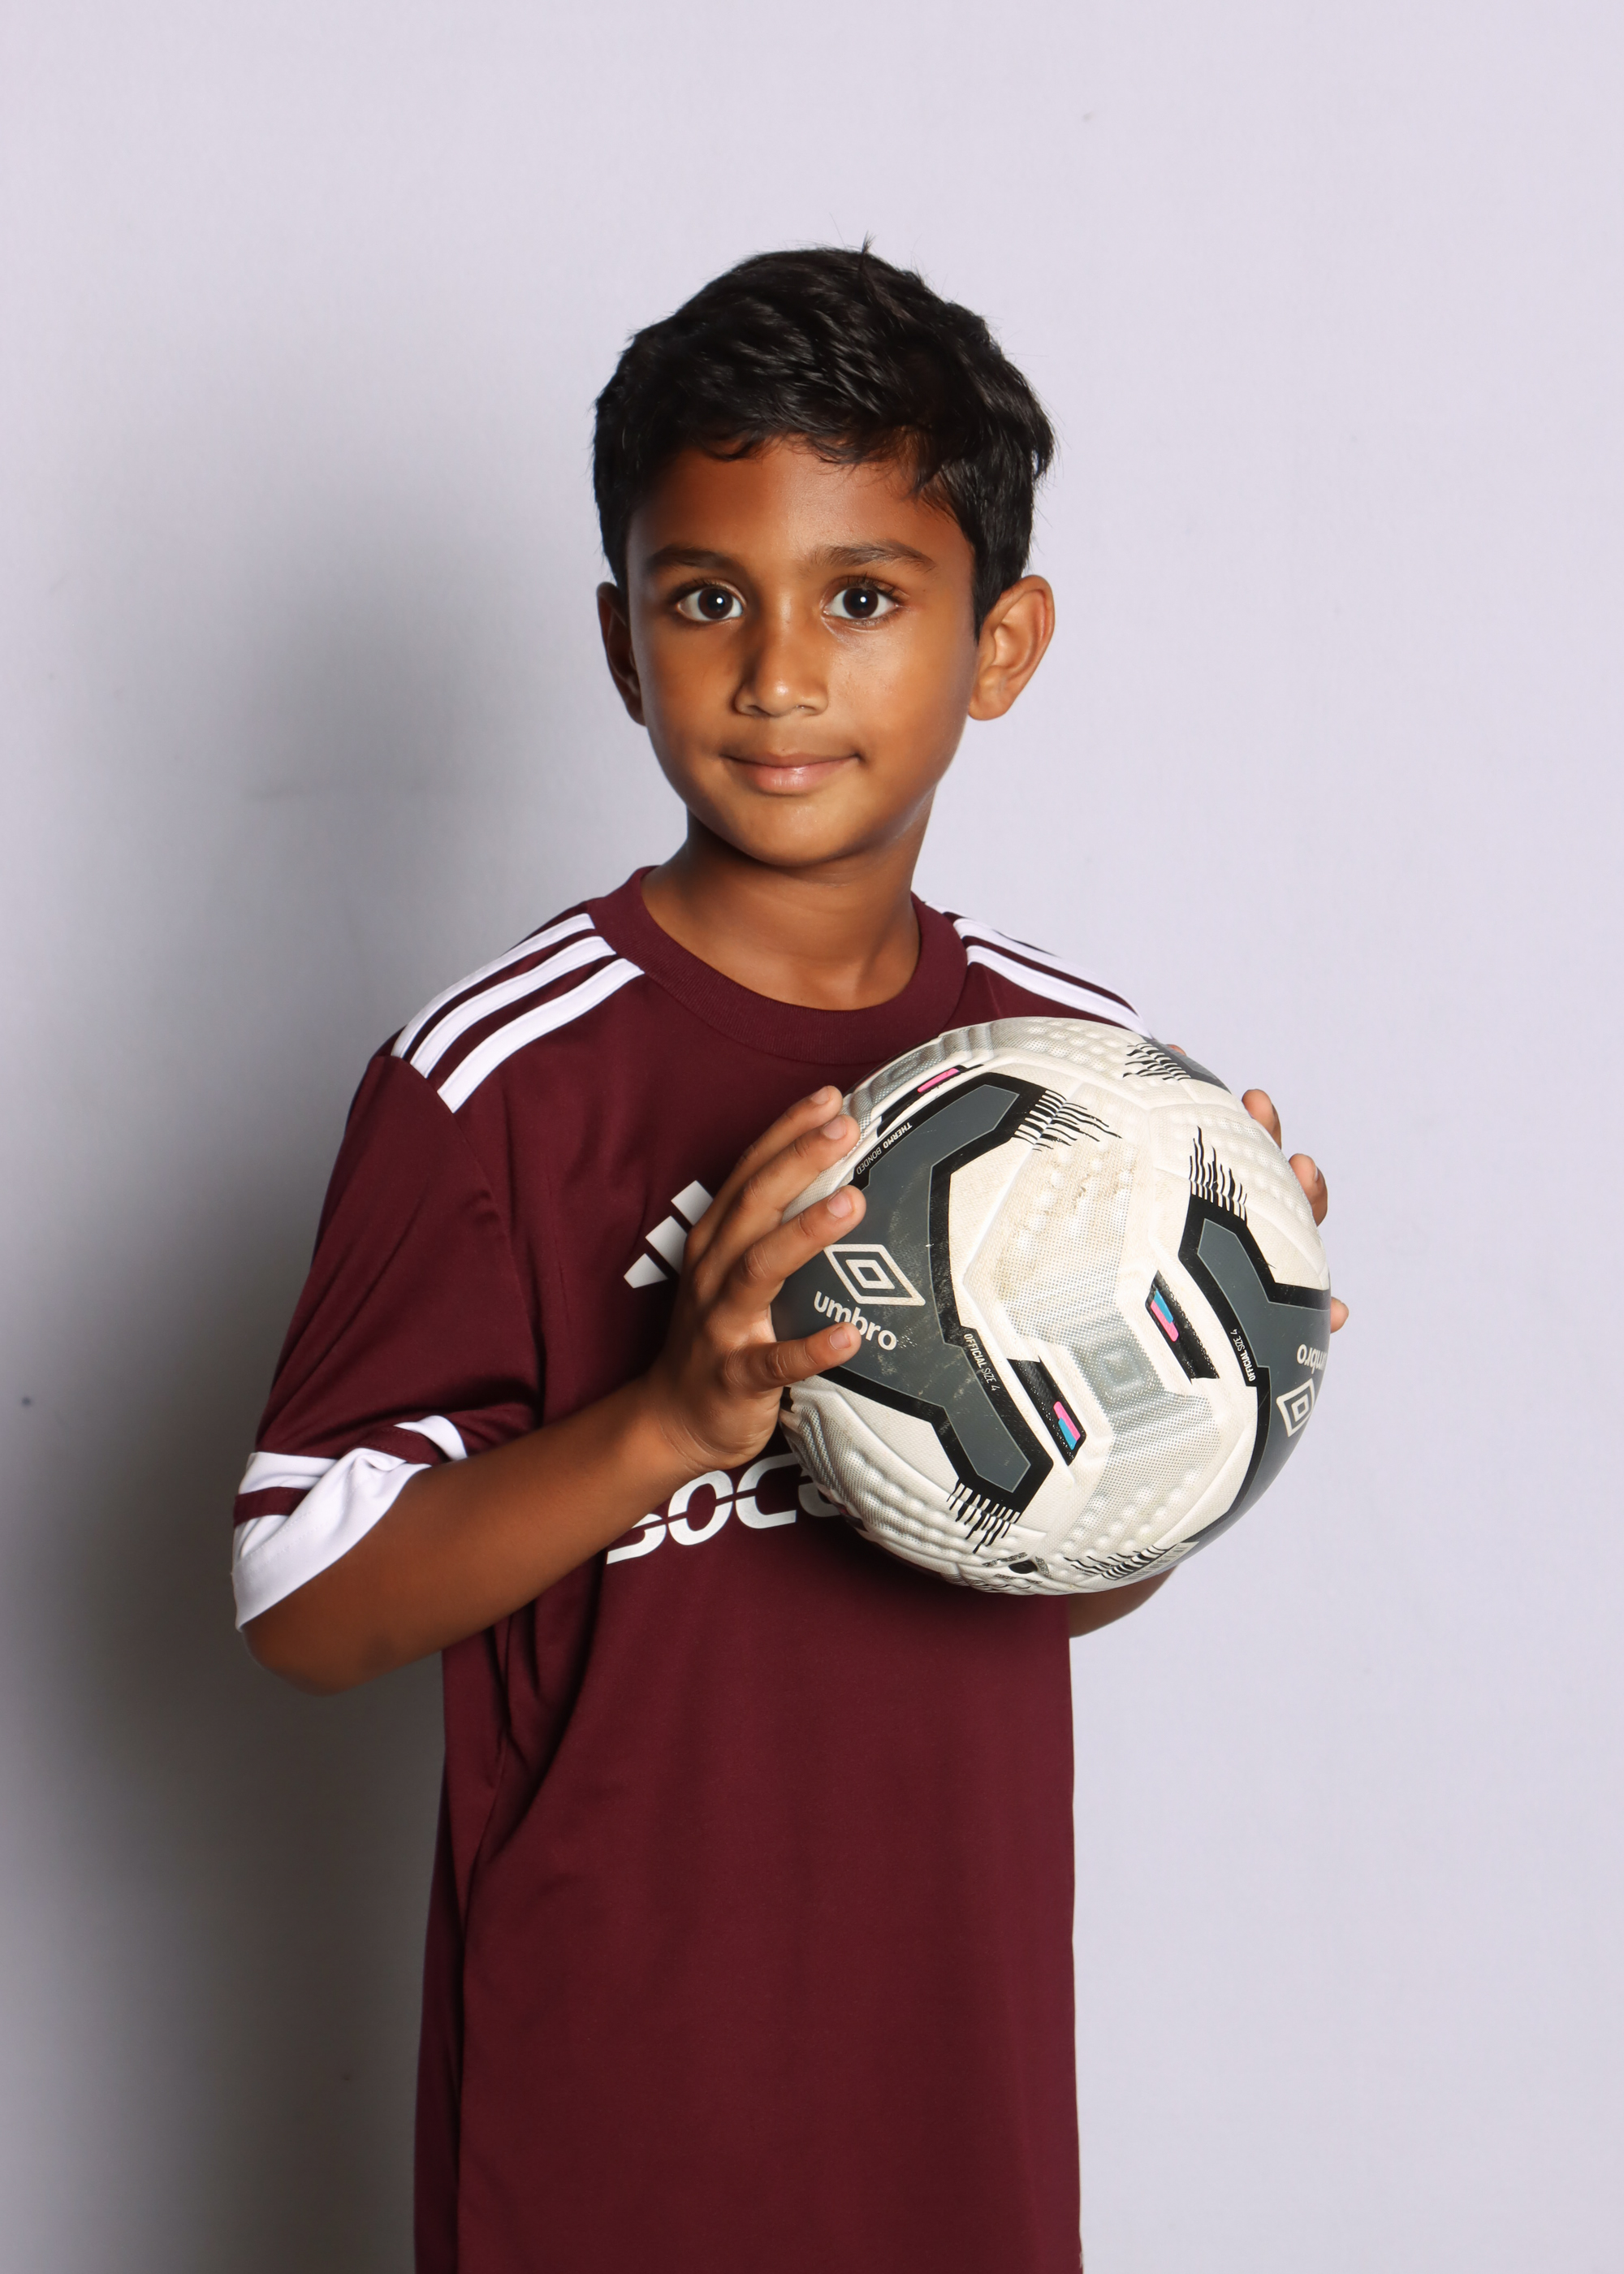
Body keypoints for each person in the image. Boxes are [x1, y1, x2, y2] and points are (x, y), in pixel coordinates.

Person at [235, 247, 1345, 2274]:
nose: (774, 673)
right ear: (618, 638)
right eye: (703, 598)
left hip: (951, 2086)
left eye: (860, 596)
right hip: (606, 2110)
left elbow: (1047, 1571)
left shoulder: (1085, 1085)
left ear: (999, 640)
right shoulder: (497, 1078)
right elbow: (300, 1602)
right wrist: (674, 1415)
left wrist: (1198, 1401)